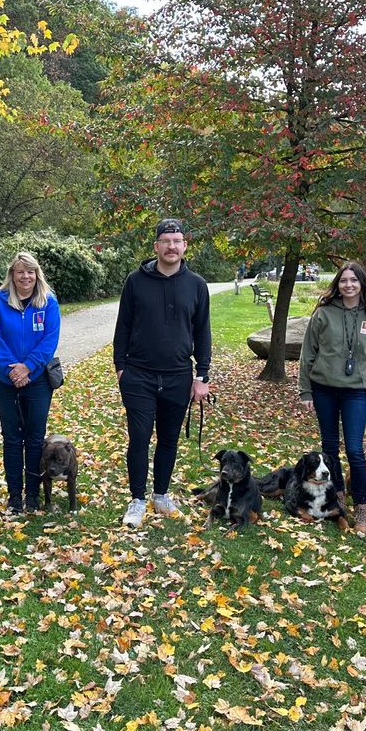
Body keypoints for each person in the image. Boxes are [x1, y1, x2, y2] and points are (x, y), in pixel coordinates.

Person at [113, 218, 212, 527]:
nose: (172, 246)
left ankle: (161, 495)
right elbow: (123, 326)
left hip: (178, 376)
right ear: (156, 246)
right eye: (166, 241)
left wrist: (202, 375)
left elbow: (203, 332)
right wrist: (120, 369)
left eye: (177, 241)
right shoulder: (135, 281)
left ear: (184, 247)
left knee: (169, 439)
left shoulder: (196, 285)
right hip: (139, 375)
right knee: (139, 438)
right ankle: (137, 501)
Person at [298, 261, 366, 536]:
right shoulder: (324, 313)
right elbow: (307, 354)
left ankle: (361, 509)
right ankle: (338, 500)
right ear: (337, 285)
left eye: (353, 280)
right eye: (343, 281)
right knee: (329, 448)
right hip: (324, 388)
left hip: (355, 392)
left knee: (355, 449)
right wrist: (305, 391)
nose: (348, 285)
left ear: (362, 284)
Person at [0, 251, 61, 513]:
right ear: (13, 275)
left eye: (30, 271)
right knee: (12, 439)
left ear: (36, 274)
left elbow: (50, 340)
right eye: (20, 272)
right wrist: (12, 371)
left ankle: (33, 494)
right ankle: (14, 495)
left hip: (38, 380)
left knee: (35, 437)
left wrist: (28, 367)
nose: (25, 276)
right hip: (5, 381)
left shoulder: (48, 302)